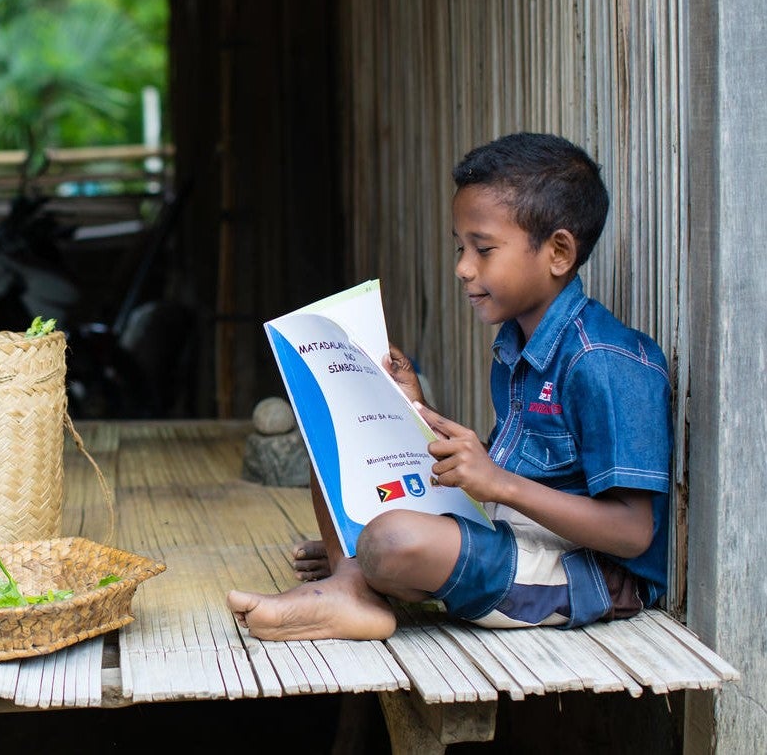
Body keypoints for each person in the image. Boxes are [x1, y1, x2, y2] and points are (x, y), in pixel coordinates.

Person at [228, 132, 672, 640]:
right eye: (461, 248)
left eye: (483, 249)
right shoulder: (516, 345)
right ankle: (354, 578)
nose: (463, 268)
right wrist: (414, 410)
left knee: (394, 540)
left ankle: (363, 570)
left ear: (558, 252)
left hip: (589, 572)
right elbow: (503, 475)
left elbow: (634, 533)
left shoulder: (604, 361)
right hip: (518, 529)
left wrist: (496, 484)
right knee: (341, 440)